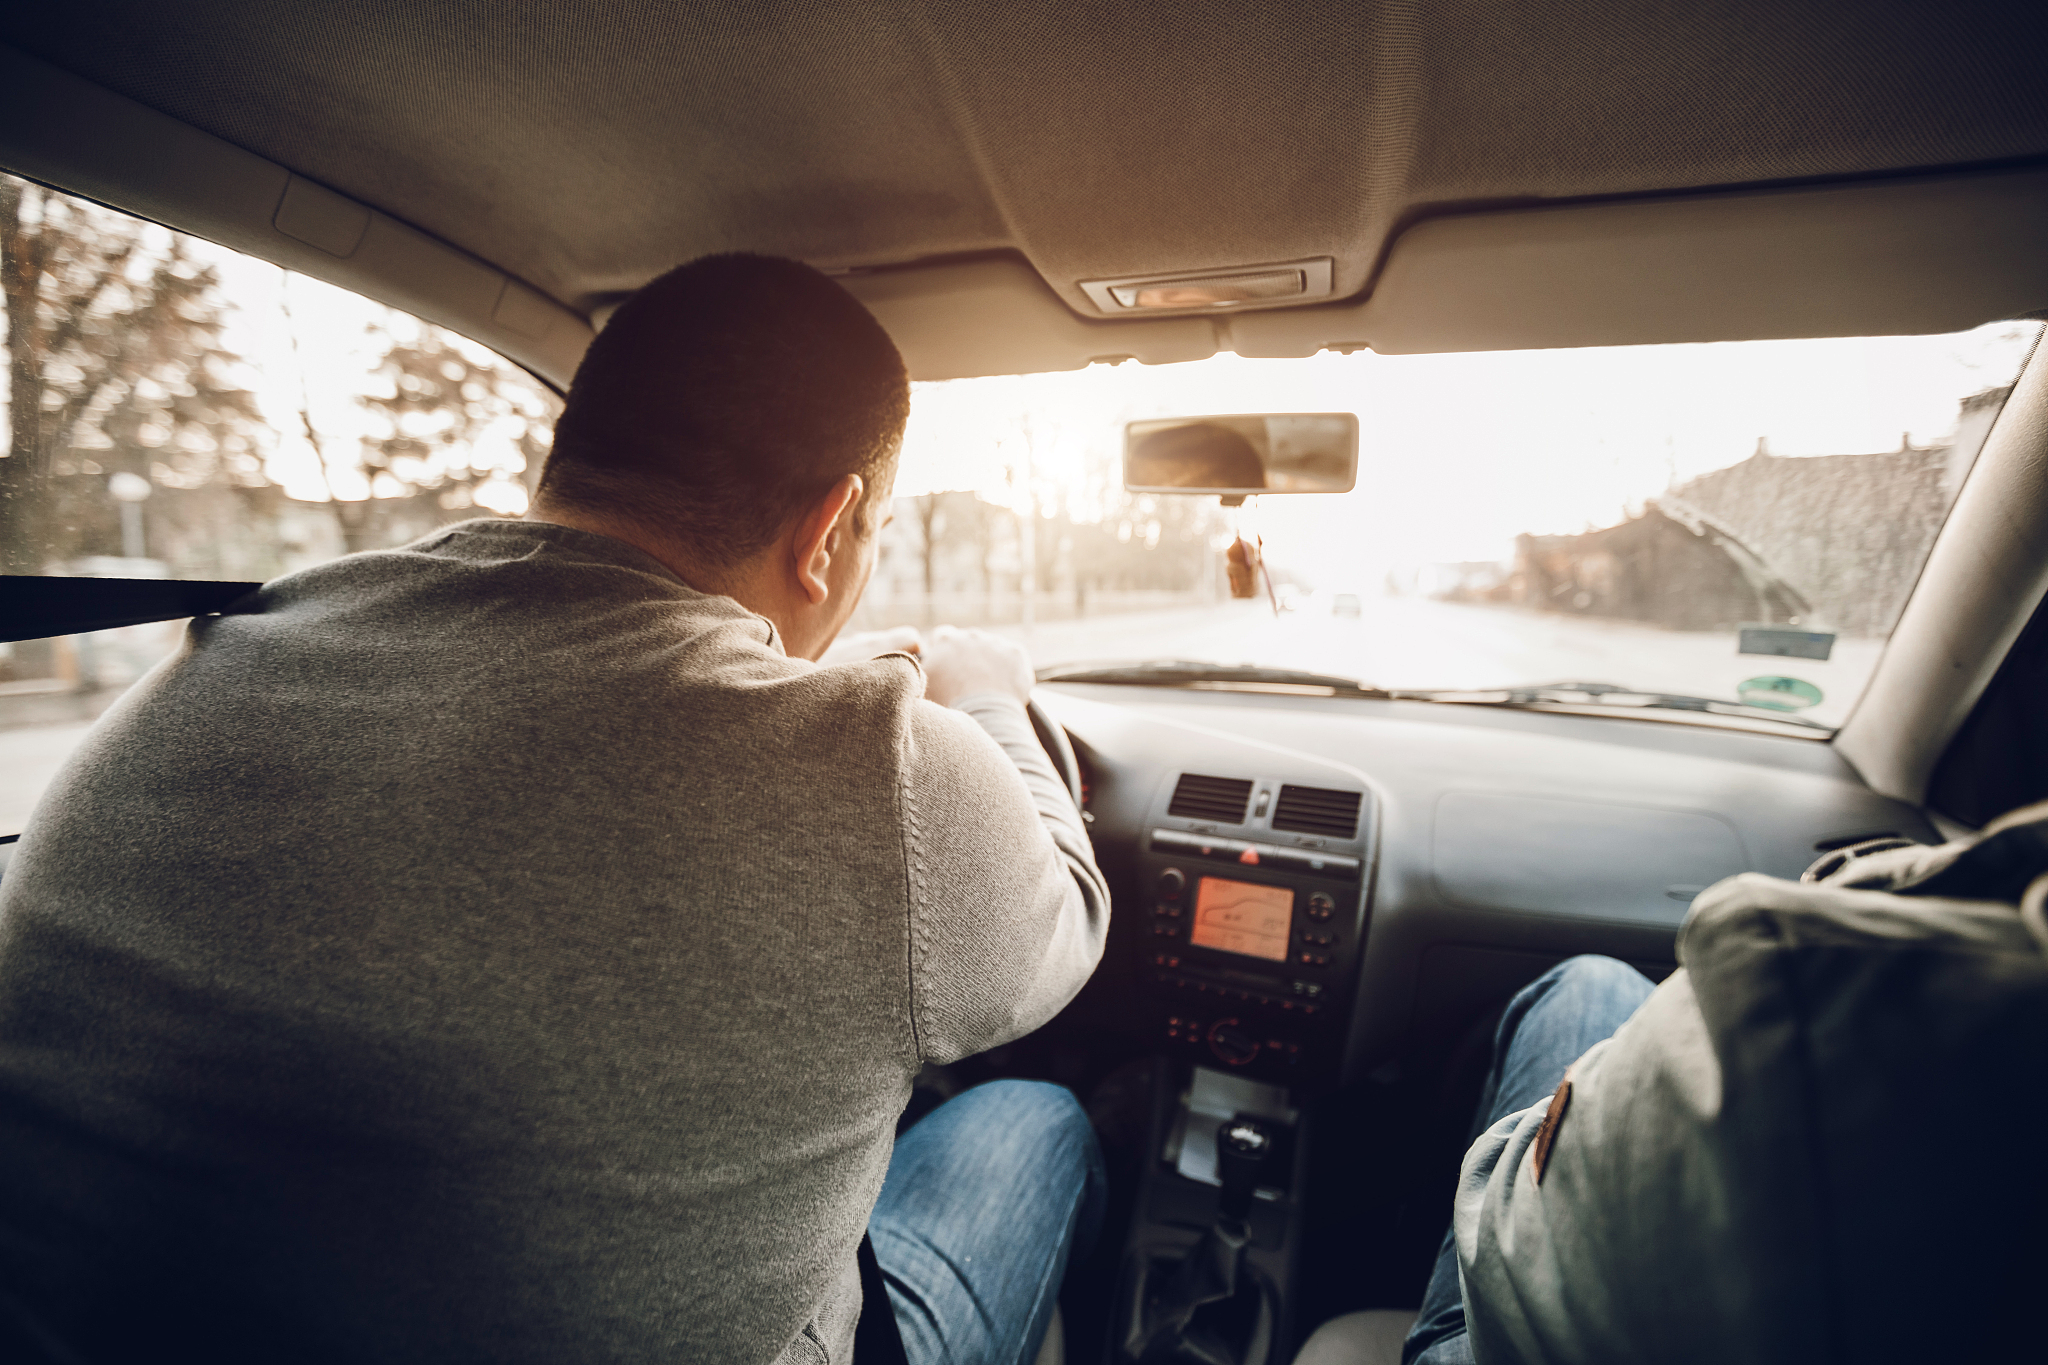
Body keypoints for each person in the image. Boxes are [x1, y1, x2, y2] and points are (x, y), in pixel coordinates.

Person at [0, 253, 1111, 1364]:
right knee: (1033, 1124)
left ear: (571, 457)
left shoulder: (211, 667)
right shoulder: (884, 763)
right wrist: (991, 700)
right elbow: (1063, 916)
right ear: (829, 530)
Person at [1403, 804, 2048, 1364]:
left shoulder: (1820, 969)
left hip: (1499, 1339)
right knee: (1603, 987)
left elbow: (1763, 925)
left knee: (1590, 984)